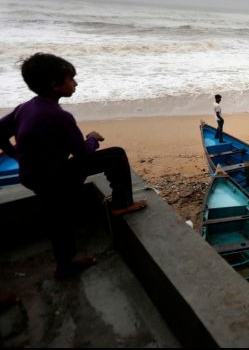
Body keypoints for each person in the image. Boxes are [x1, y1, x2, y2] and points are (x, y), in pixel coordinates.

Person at [0, 53, 147, 281]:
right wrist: (93, 138)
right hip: (53, 177)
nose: (75, 84)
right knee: (115, 155)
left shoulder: (25, 108)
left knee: (58, 216)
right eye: (71, 79)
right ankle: (121, 204)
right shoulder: (59, 116)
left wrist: (16, 155)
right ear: (55, 85)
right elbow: (82, 152)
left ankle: (65, 264)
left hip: (31, 175)